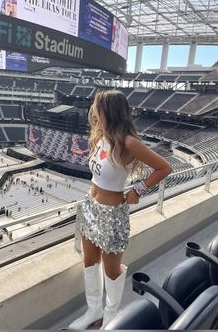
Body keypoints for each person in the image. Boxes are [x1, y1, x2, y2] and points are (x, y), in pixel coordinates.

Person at [69, 90, 172, 330]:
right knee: (89, 261)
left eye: (97, 107)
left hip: (112, 214)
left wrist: (139, 189)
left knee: (112, 269)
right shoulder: (100, 135)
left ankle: (109, 318)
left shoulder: (128, 142)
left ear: (109, 111)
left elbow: (163, 167)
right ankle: (93, 310)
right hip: (91, 207)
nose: (93, 111)